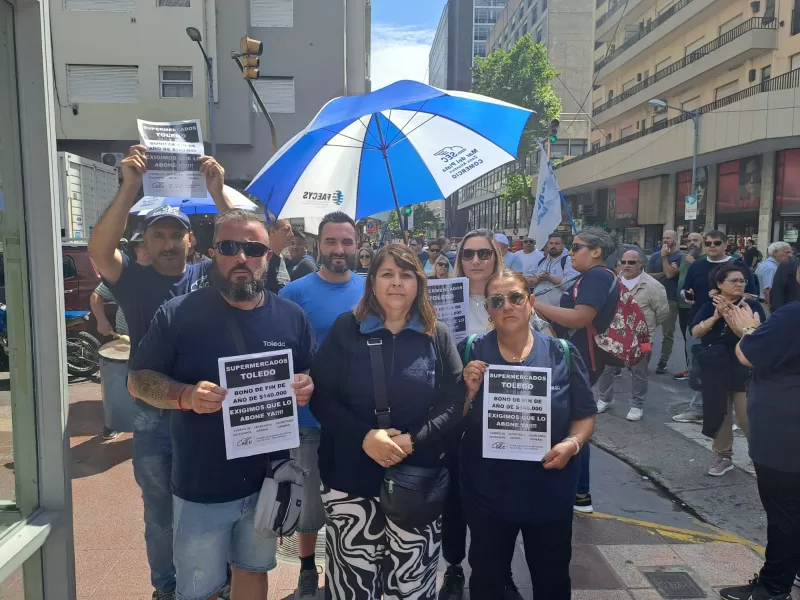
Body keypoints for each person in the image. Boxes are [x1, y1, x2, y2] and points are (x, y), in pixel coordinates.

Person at [128, 209, 315, 600]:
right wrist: (185, 396)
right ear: (214, 253)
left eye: (253, 248)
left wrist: (306, 385)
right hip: (203, 483)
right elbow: (138, 381)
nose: (241, 257)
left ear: (267, 254)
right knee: (198, 587)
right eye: (230, 247)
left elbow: (309, 374)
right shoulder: (179, 314)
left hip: (268, 478)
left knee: (253, 571)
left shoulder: (291, 318)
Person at [87, 145, 232, 600]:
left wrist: (218, 190)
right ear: (145, 244)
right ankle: (166, 589)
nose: (169, 243)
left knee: (218, 503)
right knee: (160, 513)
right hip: (153, 415)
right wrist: (129, 185)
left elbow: (244, 244)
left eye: (177, 235)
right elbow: (97, 249)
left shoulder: (212, 275)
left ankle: (219, 583)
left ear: (191, 240)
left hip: (208, 409)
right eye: (159, 236)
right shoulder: (132, 279)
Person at [308, 244, 464, 600]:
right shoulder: (347, 328)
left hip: (417, 481)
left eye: (406, 274)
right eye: (388, 274)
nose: (397, 283)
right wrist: (364, 437)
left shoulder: (435, 334)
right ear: (372, 282)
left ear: (419, 283)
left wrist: (414, 440)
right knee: (353, 585)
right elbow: (322, 397)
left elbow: (453, 402)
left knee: (411, 585)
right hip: (350, 480)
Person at [459, 269, 596, 600]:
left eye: (516, 298)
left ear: (531, 303)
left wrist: (572, 443)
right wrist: (468, 392)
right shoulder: (470, 351)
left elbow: (585, 415)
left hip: (549, 493)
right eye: (497, 301)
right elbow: (453, 420)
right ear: (488, 310)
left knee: (551, 580)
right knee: (487, 580)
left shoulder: (560, 352)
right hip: (488, 494)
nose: (508, 306)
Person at [278, 211, 366, 600]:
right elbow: (279, 353)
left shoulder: (372, 289)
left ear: (357, 246)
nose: (339, 249)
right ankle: (307, 569)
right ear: (319, 245)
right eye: (331, 241)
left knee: (350, 500)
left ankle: (343, 570)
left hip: (356, 418)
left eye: (346, 242)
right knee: (310, 501)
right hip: (308, 417)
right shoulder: (294, 293)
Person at [718, 266, 800, 600]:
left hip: (786, 434)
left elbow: (747, 353)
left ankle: (772, 587)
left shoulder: (793, 315)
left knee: (785, 512)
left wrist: (749, 330)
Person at [440, 229, 507, 600]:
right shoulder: (441, 299)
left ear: (496, 257)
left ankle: (496, 566)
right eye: (469, 254)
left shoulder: (508, 298)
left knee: (497, 495)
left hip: (498, 412)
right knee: (453, 496)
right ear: (459, 258)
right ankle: (453, 565)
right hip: (453, 412)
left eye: (484, 254)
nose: (477, 261)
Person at [536, 227, 620, 515]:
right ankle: (579, 492)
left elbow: (581, 317)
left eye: (576, 247)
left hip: (582, 359)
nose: (570, 252)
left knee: (573, 424)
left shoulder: (597, 276)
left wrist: (535, 304)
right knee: (571, 420)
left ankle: (579, 492)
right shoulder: (592, 276)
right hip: (580, 356)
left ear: (596, 251)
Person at [690, 264, 765, 477]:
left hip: (742, 365)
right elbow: (695, 332)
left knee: (746, 415)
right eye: (734, 281)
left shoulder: (752, 307)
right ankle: (723, 456)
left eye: (742, 281)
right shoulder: (708, 305)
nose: (739, 284)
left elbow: (756, 337)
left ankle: (758, 456)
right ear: (720, 284)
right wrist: (715, 317)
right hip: (715, 366)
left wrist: (732, 316)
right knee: (719, 413)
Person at [596, 248, 668, 421]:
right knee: (606, 369)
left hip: (642, 337)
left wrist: (645, 327)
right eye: (623, 262)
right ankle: (605, 398)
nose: (626, 265)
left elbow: (663, 313)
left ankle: (637, 404)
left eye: (632, 262)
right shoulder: (613, 282)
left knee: (639, 372)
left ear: (640, 264)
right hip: (612, 335)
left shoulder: (653, 286)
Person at [90, 233, 150, 440]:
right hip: (126, 341)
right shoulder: (123, 274)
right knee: (121, 384)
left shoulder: (165, 273)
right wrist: (101, 321)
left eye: (150, 244)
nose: (147, 249)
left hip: (153, 342)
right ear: (135, 249)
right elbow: (97, 296)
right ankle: (115, 422)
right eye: (143, 246)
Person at [646, 230, 683, 375]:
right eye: (663, 237)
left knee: (668, 333)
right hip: (653, 297)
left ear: (675, 239)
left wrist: (664, 258)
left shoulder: (680, 257)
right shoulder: (654, 256)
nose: (665, 240)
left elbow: (670, 275)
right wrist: (663, 273)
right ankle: (643, 360)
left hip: (670, 298)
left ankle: (663, 361)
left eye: (668, 238)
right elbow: (648, 275)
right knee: (646, 331)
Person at [672, 232, 704, 384]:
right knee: (686, 338)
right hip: (683, 304)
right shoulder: (684, 258)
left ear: (702, 242)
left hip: (699, 306)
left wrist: (695, 263)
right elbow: (678, 276)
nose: (692, 243)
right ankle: (689, 367)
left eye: (695, 240)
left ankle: (699, 371)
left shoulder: (703, 260)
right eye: (689, 240)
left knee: (697, 339)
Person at [531, 233, 579, 307]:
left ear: (563, 245)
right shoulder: (541, 261)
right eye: (551, 243)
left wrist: (549, 278)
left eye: (557, 243)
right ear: (547, 245)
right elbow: (528, 280)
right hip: (537, 309)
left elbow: (570, 285)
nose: (553, 246)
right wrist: (536, 279)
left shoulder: (569, 261)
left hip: (557, 311)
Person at [756, 241, 792, 310]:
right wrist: (772, 309)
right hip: (766, 305)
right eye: (787, 252)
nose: (789, 255)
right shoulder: (771, 268)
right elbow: (768, 290)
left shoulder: (766, 264)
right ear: (775, 253)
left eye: (790, 252)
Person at [266, 218, 293, 292]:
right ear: (272, 231)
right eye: (286, 230)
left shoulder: (281, 258)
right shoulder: (263, 260)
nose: (292, 234)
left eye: (291, 230)